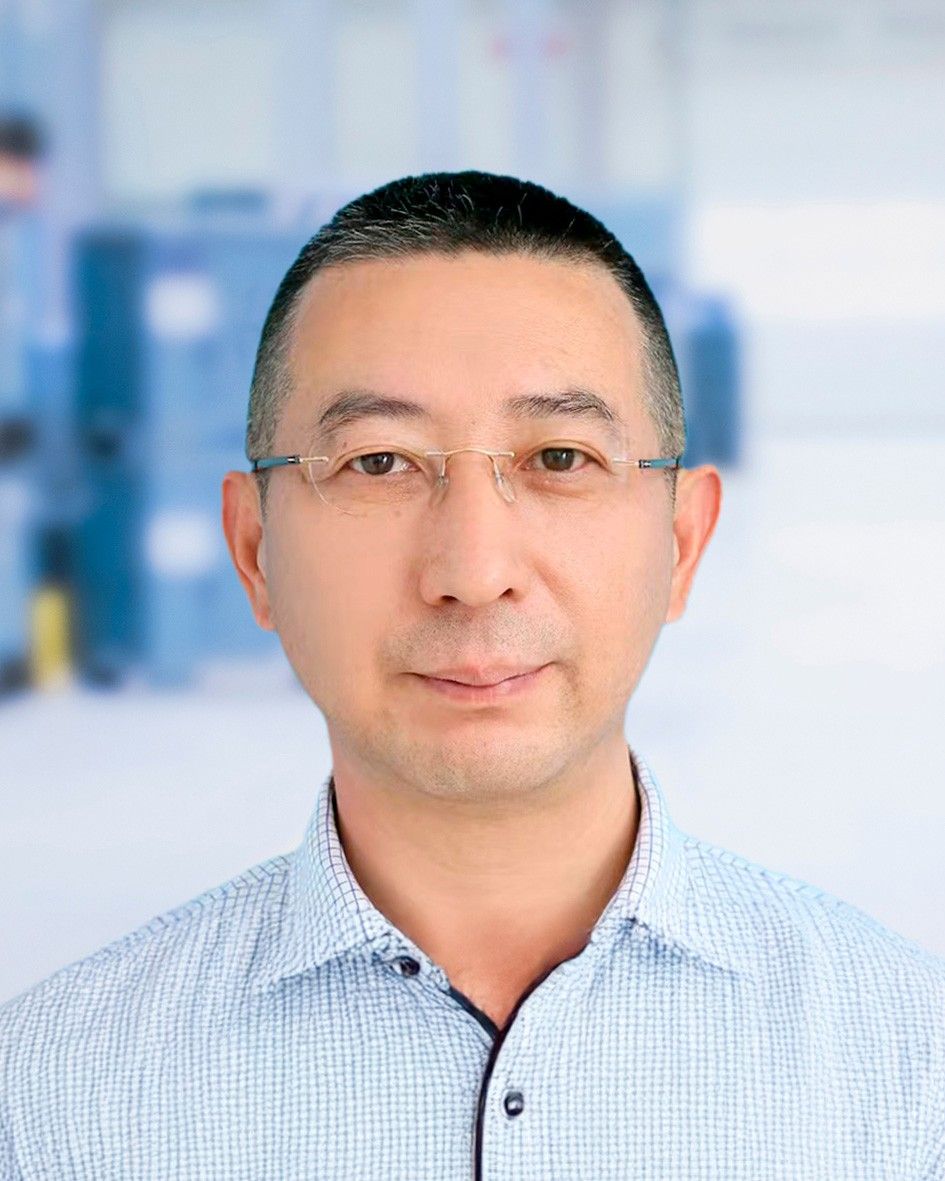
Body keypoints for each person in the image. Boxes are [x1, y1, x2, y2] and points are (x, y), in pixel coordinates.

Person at [2, 171, 943, 1180]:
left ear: (682, 541)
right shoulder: (53, 1100)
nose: (473, 568)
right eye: (378, 462)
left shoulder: (906, 1071)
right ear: (254, 550)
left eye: (560, 457)